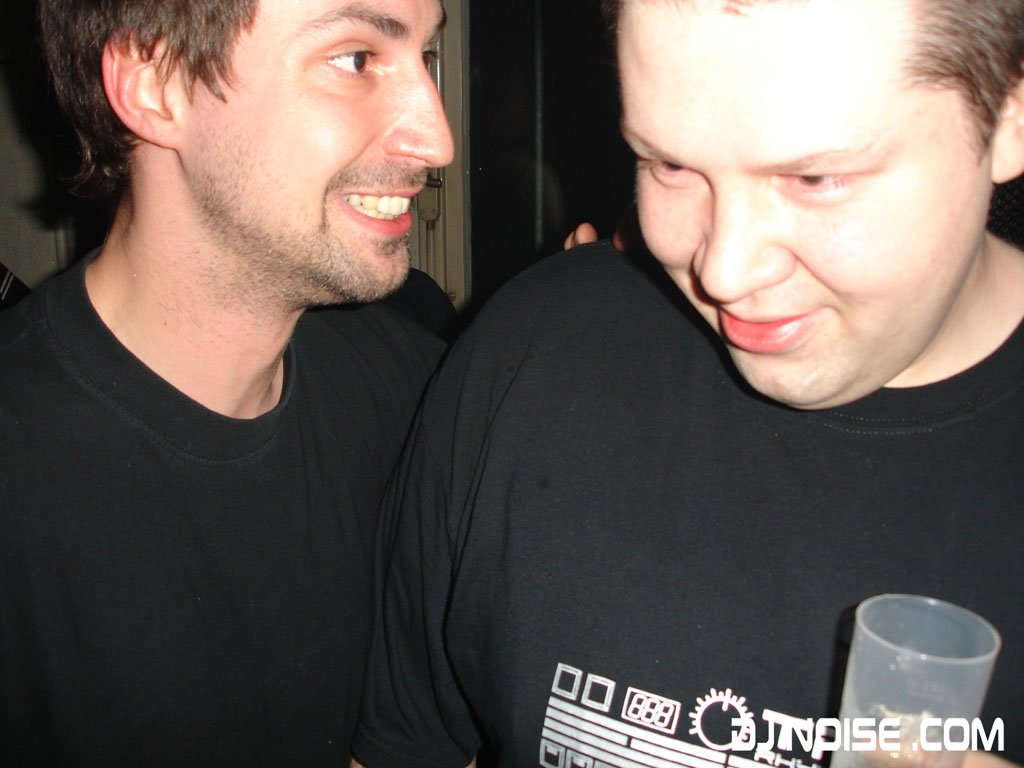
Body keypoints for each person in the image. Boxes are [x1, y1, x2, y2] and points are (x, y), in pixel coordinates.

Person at [351, 0, 1024, 766]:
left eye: (816, 177)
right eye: (668, 165)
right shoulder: (531, 351)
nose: (723, 271)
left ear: (1008, 112)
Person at [0, 0, 453, 763]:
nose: (437, 139)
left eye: (426, 59)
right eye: (355, 60)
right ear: (155, 83)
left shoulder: (425, 400)